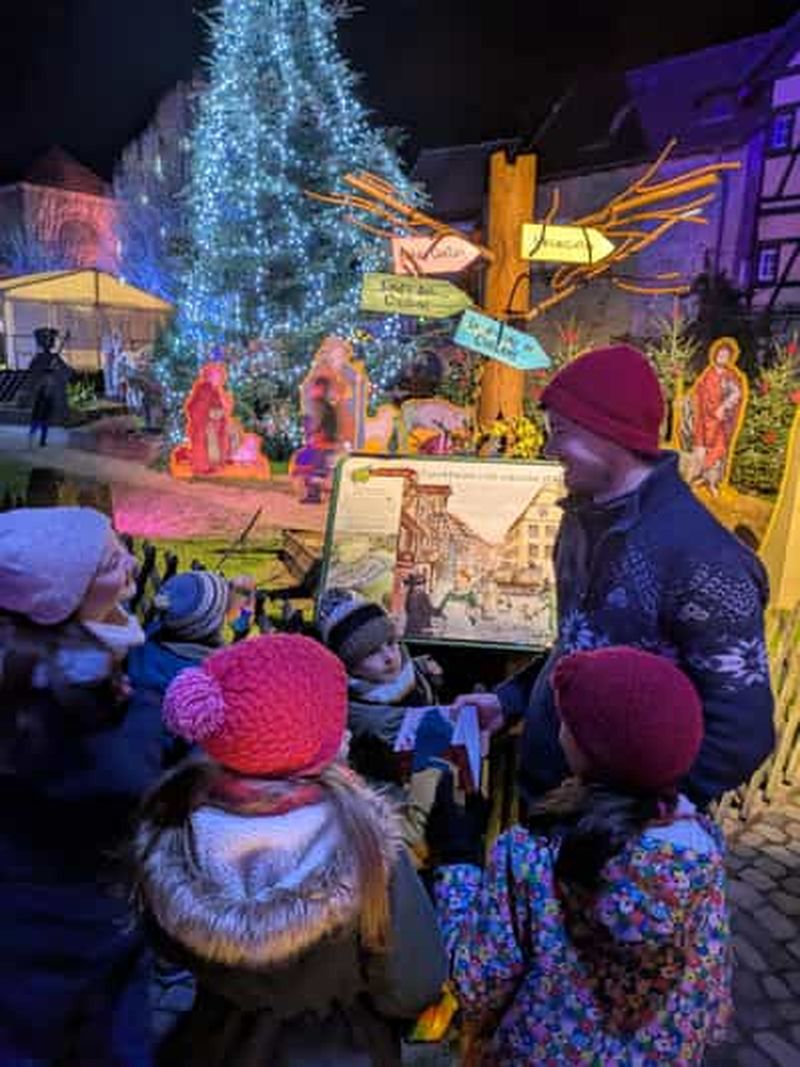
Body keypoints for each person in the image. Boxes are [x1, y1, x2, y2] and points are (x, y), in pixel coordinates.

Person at [456, 344, 774, 810]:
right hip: (552, 811)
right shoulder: (580, 521)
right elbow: (578, 644)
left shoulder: (703, 559)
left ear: (609, 434)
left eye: (560, 433)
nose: (549, 449)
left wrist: (636, 815)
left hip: (618, 847)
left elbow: (741, 733)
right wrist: (509, 702)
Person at [134, 633, 447, 1067]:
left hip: (217, 1041)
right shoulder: (366, 846)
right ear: (311, 742)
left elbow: (166, 946)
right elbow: (414, 984)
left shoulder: (173, 828)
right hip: (340, 1047)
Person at [434, 646, 731, 1065]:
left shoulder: (531, 856)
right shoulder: (703, 854)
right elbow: (711, 992)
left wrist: (458, 860)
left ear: (583, 748)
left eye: (567, 723)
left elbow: (474, 984)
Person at [0, 507, 161, 1066]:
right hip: (70, 944)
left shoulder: (39, 676)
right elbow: (126, 779)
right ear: (64, 594)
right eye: (114, 561)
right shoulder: (86, 714)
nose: (133, 568)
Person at [318, 587, 449, 866]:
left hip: (422, 771)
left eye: (390, 643)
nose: (389, 657)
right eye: (372, 653)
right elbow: (410, 725)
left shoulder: (405, 670)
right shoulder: (359, 710)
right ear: (350, 666)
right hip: (389, 793)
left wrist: (423, 669)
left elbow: (409, 675)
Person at [682, 336, 748, 494]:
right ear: (715, 355)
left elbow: (736, 394)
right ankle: (693, 478)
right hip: (703, 418)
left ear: (730, 358)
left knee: (717, 450)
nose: (722, 357)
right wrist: (685, 400)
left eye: (725, 355)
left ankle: (711, 482)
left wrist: (723, 407)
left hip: (718, 420)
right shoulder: (707, 373)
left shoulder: (730, 377)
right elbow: (696, 391)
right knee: (700, 449)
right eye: (720, 354)